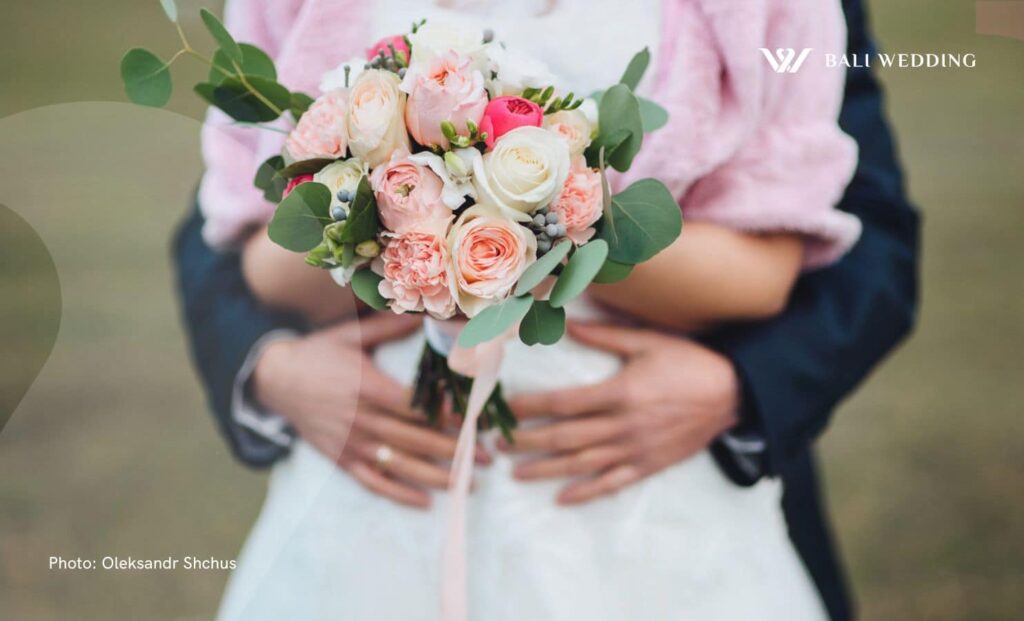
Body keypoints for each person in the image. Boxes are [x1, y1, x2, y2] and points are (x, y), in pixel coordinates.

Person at [173, 1, 919, 620]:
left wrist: (525, 211)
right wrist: (275, 361)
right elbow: (245, 232)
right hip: (373, 483)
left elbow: (810, 249)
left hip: (649, 493)